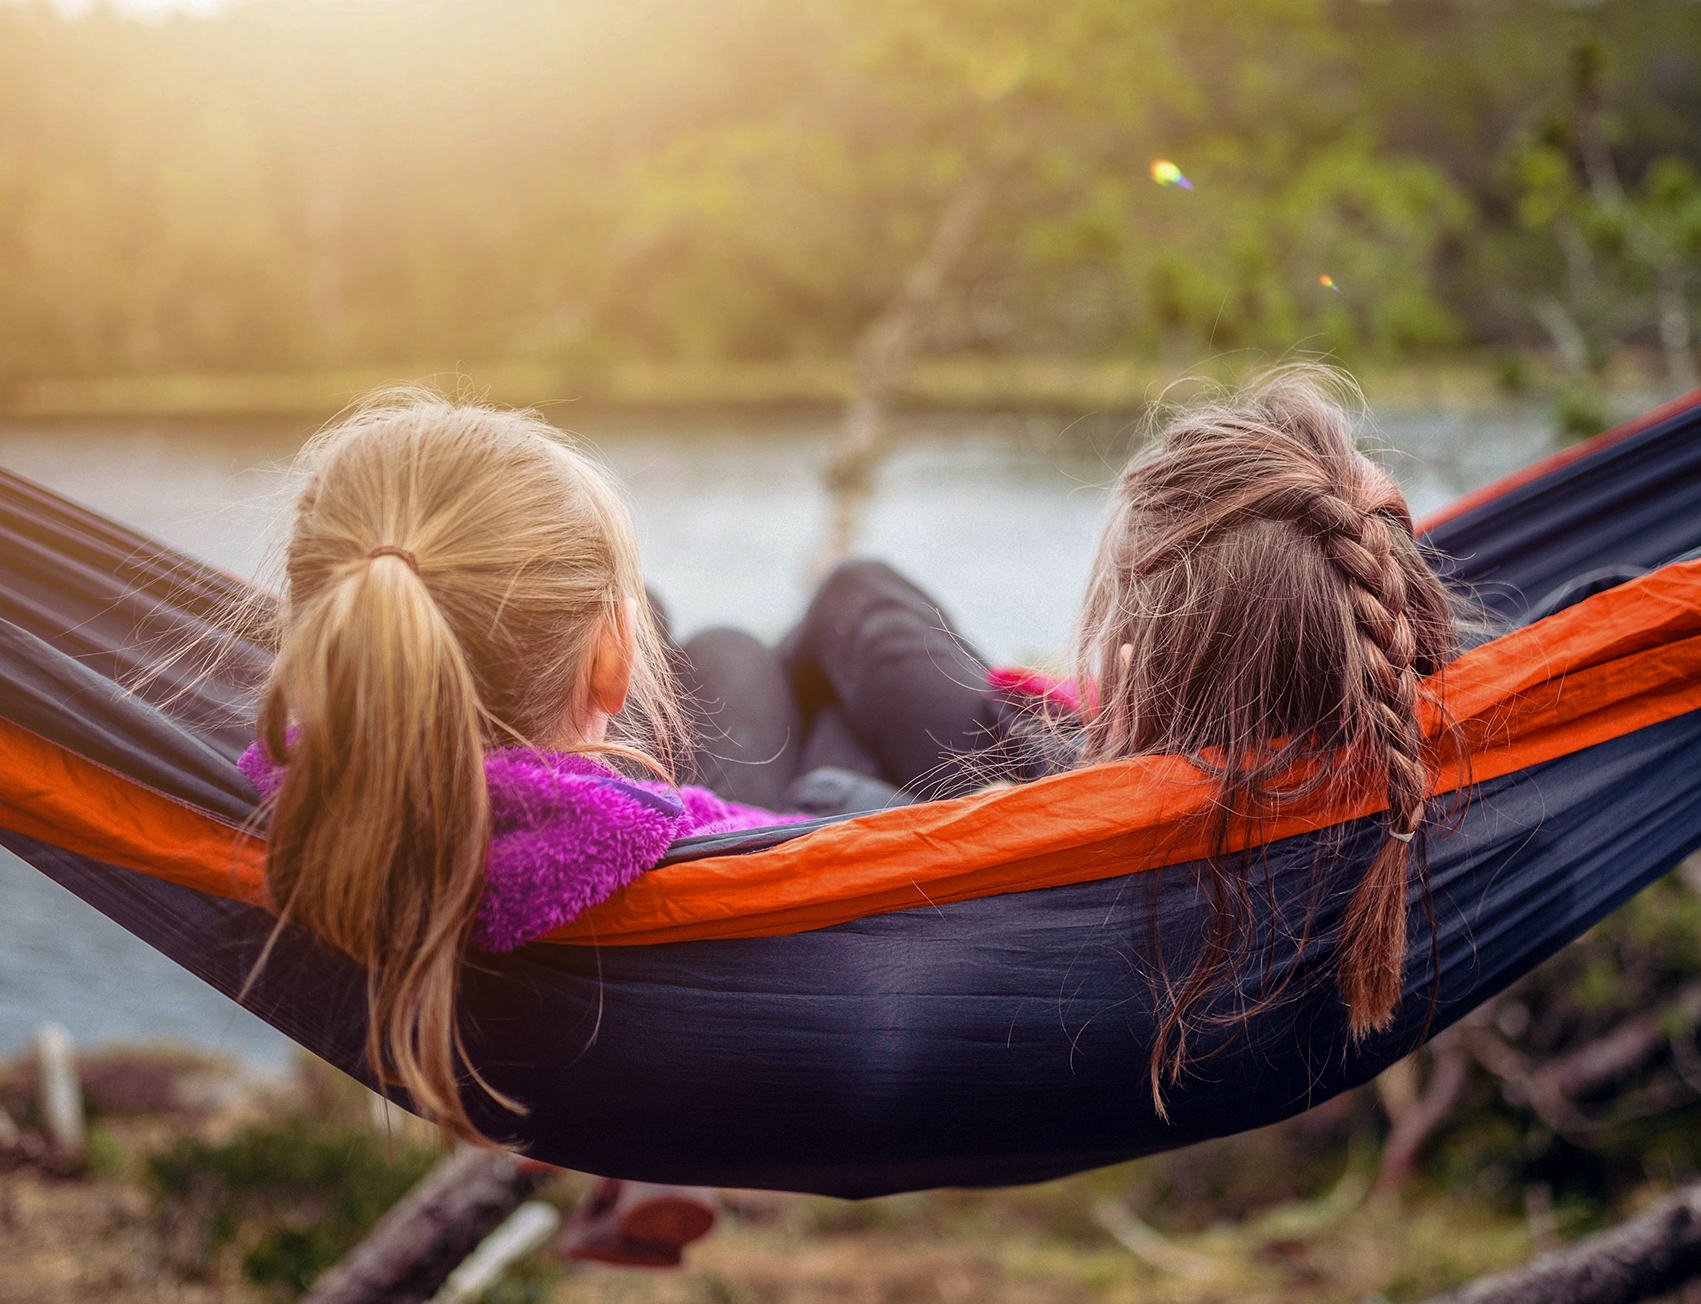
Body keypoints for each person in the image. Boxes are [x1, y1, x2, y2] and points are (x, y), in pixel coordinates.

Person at [692, 366, 1465, 1104]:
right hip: (1093, 785)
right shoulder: (1443, 752)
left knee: (755, 638)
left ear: (1135, 665)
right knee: (826, 699)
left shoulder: (1105, 838)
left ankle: (703, 1049)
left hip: (1032, 803)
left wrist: (1111, 753)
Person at [237, 392, 793, 1263]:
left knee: (697, 638)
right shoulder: (661, 834)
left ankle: (650, 1173)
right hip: (790, 867)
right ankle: (656, 1164)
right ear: (611, 665)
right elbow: (816, 848)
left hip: (583, 1004)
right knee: (797, 626)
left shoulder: (301, 798)